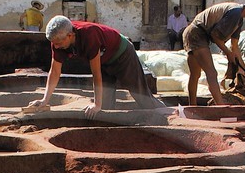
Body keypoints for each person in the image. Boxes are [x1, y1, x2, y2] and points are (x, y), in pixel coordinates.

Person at [23, 15, 161, 117]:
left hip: (122, 54)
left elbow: (96, 74)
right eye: (54, 43)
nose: (56, 46)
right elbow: (54, 72)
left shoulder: (89, 35)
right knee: (104, 107)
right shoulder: (57, 42)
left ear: (70, 35)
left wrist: (96, 104)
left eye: (58, 43)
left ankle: (170, 115)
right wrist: (44, 100)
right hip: (105, 60)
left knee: (141, 96)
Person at [182, 0, 245, 105]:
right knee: (211, 73)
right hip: (196, 33)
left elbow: (235, 46)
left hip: (195, 33)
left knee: (195, 74)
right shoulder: (235, 13)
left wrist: (243, 69)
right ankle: (221, 108)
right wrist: (228, 53)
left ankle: (193, 106)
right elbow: (215, 35)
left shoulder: (239, 20)